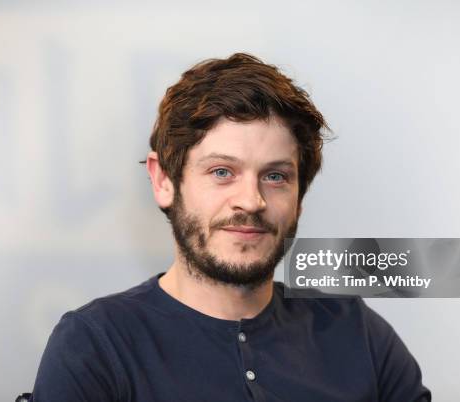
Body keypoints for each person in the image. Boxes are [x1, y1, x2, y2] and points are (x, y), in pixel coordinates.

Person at [31, 53, 431, 401]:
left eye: (275, 177)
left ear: (299, 198)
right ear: (164, 181)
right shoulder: (96, 345)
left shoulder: (358, 335)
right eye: (222, 172)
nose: (252, 201)